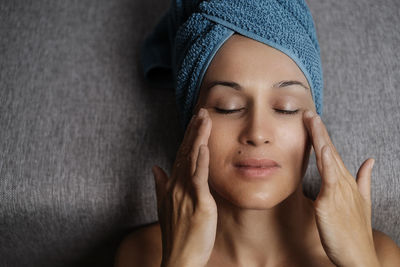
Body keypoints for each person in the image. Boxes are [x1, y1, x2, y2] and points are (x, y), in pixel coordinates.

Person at [114, 1, 400, 266]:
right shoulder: (144, 255)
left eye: (286, 108)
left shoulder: (378, 255)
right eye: (228, 107)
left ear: (316, 125)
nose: (257, 133)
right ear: (190, 122)